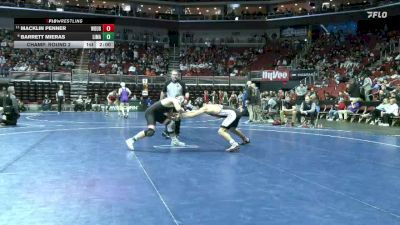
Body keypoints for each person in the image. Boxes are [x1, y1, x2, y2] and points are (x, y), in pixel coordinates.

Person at [180, 97, 250, 152]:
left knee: (221, 131)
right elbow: (193, 112)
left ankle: (234, 144)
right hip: (235, 112)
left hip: (232, 114)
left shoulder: (205, 108)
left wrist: (181, 116)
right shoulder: (207, 106)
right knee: (232, 129)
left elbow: (193, 115)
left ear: (198, 105)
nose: (195, 107)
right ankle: (245, 139)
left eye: (196, 106)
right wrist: (184, 113)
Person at [160, 72, 189, 138]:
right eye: (174, 74)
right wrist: (161, 101)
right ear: (171, 75)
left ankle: (177, 133)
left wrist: (186, 99)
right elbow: (163, 92)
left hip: (178, 104)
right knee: (168, 118)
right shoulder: (167, 83)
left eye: (176, 74)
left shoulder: (182, 83)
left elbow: (187, 92)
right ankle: (167, 132)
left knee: (177, 118)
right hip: (169, 104)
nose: (175, 76)